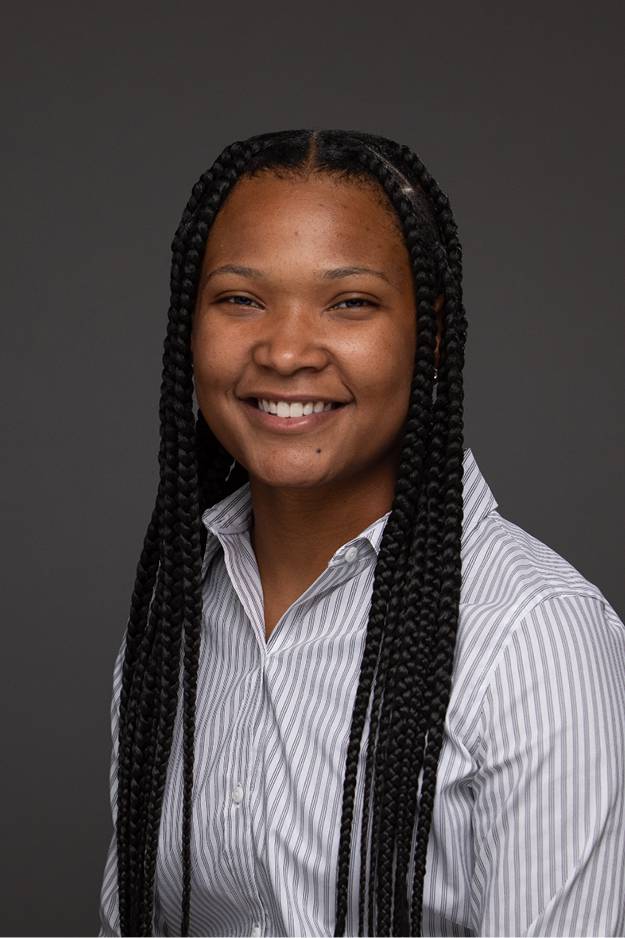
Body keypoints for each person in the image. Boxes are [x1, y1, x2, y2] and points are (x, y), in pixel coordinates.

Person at [97, 128, 625, 937]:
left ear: (431, 334)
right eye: (240, 299)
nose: (285, 352)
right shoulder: (176, 611)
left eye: (350, 303)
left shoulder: (536, 639)